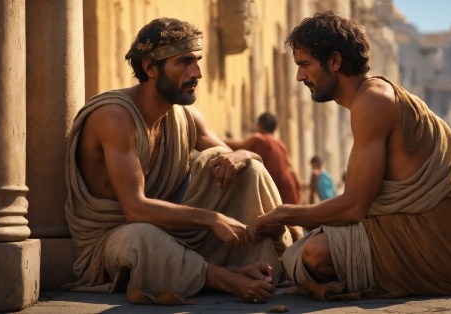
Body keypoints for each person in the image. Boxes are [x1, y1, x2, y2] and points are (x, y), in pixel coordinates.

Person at [62, 18, 292, 305]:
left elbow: (233, 157)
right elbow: (134, 209)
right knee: (141, 237)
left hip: (173, 233)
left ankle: (276, 265)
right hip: (115, 240)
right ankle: (226, 278)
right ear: (149, 67)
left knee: (246, 169)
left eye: (197, 61)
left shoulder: (185, 116)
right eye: (183, 62)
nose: (196, 72)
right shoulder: (114, 116)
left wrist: (242, 154)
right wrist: (211, 219)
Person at [251, 11, 451, 300]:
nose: (300, 76)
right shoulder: (373, 97)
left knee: (314, 254)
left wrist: (285, 213)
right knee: (309, 239)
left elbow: (354, 208)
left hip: (434, 252)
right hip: (431, 242)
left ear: (334, 61)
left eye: (305, 65)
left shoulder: (372, 101)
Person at [224, 113, 304, 241]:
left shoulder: (258, 139)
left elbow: (238, 145)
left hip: (276, 186)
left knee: (284, 224)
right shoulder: (281, 145)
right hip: (288, 186)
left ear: (260, 125)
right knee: (290, 223)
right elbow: (291, 166)